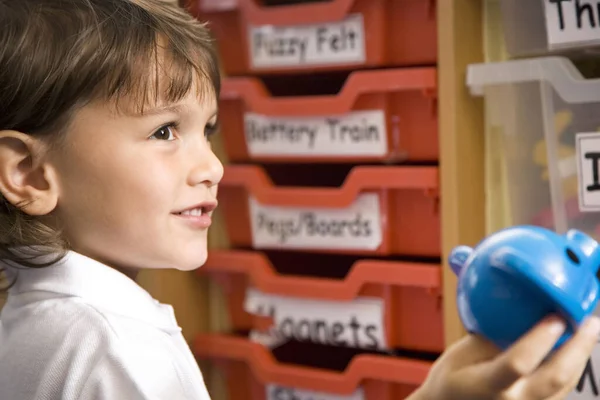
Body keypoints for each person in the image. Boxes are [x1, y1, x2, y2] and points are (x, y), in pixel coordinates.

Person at [0, 0, 598, 399]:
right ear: (28, 172)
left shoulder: (32, 315)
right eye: (164, 132)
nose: (211, 168)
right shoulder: (116, 348)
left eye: (207, 130)